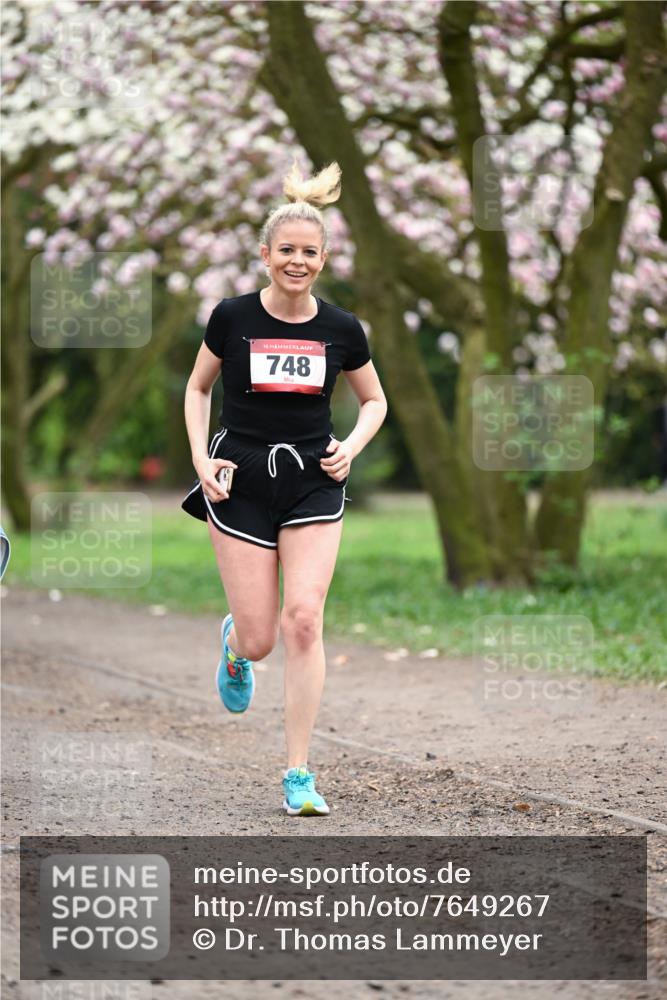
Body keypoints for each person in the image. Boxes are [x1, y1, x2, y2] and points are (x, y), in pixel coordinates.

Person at [181, 160, 387, 816]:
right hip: (238, 479)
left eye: (309, 253)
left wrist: (348, 449)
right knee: (261, 637)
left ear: (322, 260)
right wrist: (199, 460)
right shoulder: (231, 317)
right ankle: (236, 648)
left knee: (302, 621)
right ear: (264, 255)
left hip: (311, 481)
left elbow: (375, 401)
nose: (296, 262)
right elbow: (196, 389)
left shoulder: (341, 330)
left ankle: (297, 772)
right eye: (286, 251)